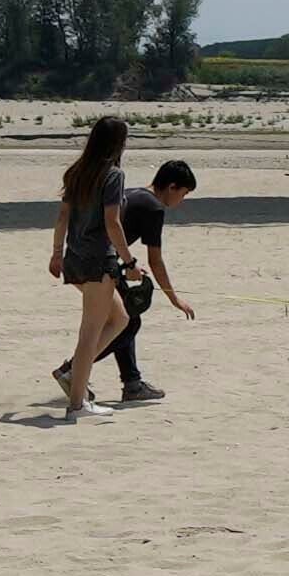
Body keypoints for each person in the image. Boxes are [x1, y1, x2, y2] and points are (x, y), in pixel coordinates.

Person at [45, 113, 132, 419]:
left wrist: (57, 253)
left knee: (119, 318)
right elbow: (113, 222)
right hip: (98, 261)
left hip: (75, 258)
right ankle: (77, 404)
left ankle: (73, 375)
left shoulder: (77, 171)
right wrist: (130, 262)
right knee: (90, 332)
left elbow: (62, 217)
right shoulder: (113, 175)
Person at [103, 159, 200, 402]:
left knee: (125, 319)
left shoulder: (134, 194)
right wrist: (173, 297)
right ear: (172, 187)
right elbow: (156, 260)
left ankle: (132, 384)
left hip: (92, 257)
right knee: (126, 323)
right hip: (102, 263)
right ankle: (72, 370)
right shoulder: (154, 207)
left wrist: (128, 264)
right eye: (184, 193)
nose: (183, 200)